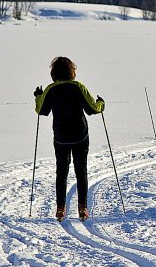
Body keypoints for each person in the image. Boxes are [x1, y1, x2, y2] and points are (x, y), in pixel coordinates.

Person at [33, 57, 105, 220]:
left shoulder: (51, 89)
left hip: (60, 137)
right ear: (71, 71)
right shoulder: (77, 87)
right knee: (81, 170)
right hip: (80, 135)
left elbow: (41, 111)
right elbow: (92, 109)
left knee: (62, 171)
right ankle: (82, 208)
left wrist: (38, 96)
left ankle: (60, 208)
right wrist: (101, 104)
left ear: (54, 72)